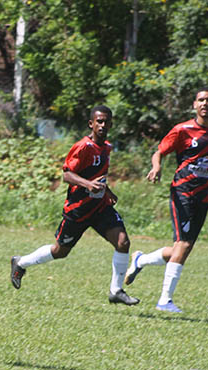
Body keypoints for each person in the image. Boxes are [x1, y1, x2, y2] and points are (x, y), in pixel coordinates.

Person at [10, 105, 139, 306]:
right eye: (99, 121)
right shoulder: (83, 147)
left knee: (123, 242)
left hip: (100, 207)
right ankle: (20, 263)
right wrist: (88, 185)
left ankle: (116, 291)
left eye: (106, 122)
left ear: (111, 125)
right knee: (60, 251)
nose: (103, 125)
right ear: (91, 124)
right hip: (78, 209)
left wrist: (107, 191)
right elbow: (67, 175)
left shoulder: (107, 147)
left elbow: (98, 174)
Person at [124, 88, 208, 313]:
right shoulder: (182, 130)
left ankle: (140, 261)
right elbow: (159, 152)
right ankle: (165, 300)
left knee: (181, 247)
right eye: (201, 100)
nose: (205, 104)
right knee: (183, 246)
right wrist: (156, 167)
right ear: (194, 104)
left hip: (205, 196)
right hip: (183, 192)